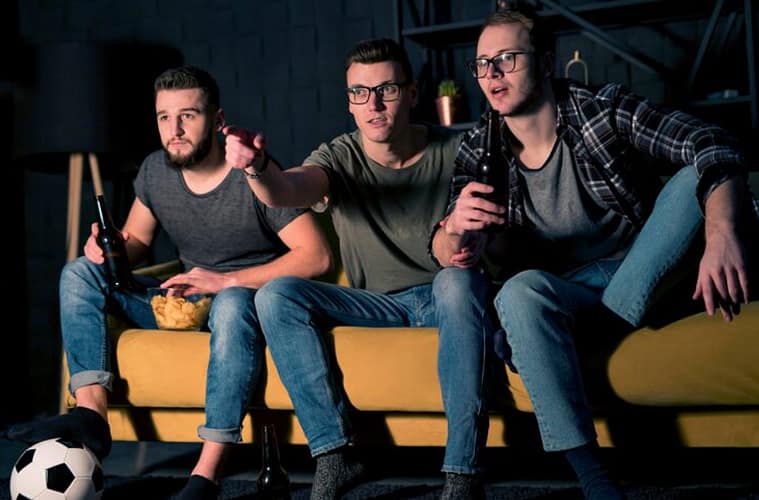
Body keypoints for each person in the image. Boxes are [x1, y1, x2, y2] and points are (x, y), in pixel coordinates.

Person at [431, 6, 759, 500]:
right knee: (518, 292)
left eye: (507, 59)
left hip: (644, 266)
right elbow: (443, 252)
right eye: (482, 64)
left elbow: (710, 142)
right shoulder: (480, 146)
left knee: (692, 178)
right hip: (572, 289)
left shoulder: (600, 109)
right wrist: (454, 228)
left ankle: (581, 331)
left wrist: (721, 233)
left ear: (546, 62)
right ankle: (596, 481)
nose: (492, 73)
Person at [4, 66, 333, 500]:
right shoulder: (156, 170)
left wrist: (225, 281)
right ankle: (92, 416)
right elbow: (137, 241)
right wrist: (108, 248)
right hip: (179, 300)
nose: (174, 130)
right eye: (164, 117)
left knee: (233, 302)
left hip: (240, 303)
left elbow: (316, 256)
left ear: (217, 120)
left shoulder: (253, 174)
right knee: (79, 271)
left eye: (188, 116)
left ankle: (206, 474)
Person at [224, 38, 492, 499]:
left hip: (447, 297)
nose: (373, 104)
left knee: (455, 281)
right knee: (276, 295)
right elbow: (288, 190)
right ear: (349, 102)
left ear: (411, 93)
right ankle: (335, 454)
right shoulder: (339, 156)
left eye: (386, 89)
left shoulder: (457, 150)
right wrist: (258, 167)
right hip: (375, 305)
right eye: (359, 93)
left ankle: (462, 475)